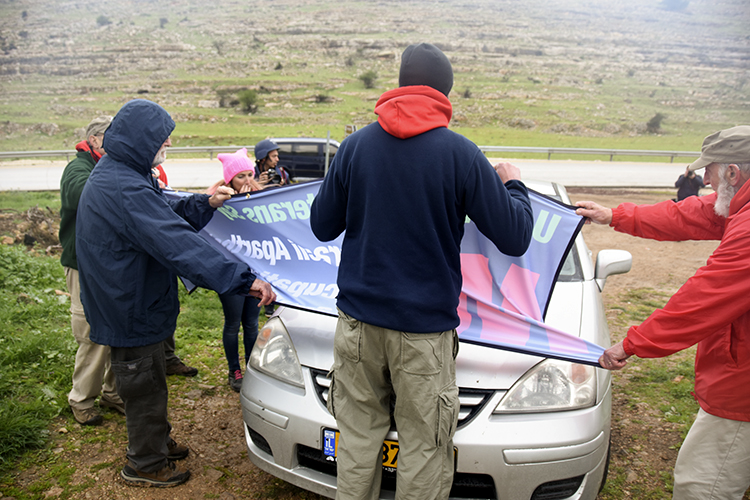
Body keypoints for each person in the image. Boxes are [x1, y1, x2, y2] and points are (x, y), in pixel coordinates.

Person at [310, 43, 534, 500]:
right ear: (445, 94)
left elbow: (320, 225)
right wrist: (513, 183)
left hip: (357, 327)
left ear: (400, 85)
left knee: (355, 443)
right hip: (423, 336)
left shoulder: (354, 148)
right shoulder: (461, 155)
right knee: (424, 449)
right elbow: (516, 236)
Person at [76, 99, 276, 488]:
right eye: (161, 139)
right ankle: (145, 463)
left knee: (151, 380)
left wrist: (205, 203)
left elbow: (162, 216)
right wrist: (242, 279)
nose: (167, 144)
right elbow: (175, 241)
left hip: (134, 300)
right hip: (128, 305)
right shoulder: (122, 187)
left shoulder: (127, 175)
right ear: (139, 140)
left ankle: (156, 441)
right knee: (143, 385)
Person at [575, 125, 750, 500]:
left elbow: (705, 297)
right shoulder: (739, 204)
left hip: (744, 390)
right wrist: (616, 215)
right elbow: (687, 215)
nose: (704, 179)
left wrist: (632, 343)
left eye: (711, 170)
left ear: (733, 173)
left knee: (704, 484)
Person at [59, 115, 125, 426]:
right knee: (90, 332)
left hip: (106, 264)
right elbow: (82, 194)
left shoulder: (106, 167)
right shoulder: (79, 168)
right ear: (97, 140)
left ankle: (113, 392)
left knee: (114, 327)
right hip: (83, 265)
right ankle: (82, 400)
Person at [207, 148, 263, 392]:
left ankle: (252, 367)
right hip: (230, 273)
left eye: (250, 174)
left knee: (251, 324)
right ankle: (234, 370)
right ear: (229, 179)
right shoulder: (218, 200)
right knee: (233, 323)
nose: (247, 181)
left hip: (255, 273)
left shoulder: (261, 199)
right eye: (241, 176)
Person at [149, 163, 200, 377]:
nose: (167, 143)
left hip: (163, 262)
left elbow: (168, 208)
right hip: (148, 261)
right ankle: (150, 368)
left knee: (168, 308)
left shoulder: (151, 170)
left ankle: (167, 359)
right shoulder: (125, 180)